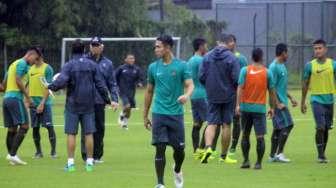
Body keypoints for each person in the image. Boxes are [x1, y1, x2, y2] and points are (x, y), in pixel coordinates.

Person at [48, 39, 114, 172]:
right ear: (84, 49)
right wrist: (107, 100)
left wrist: (51, 86)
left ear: (72, 50)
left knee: (71, 133)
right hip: (89, 104)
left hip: (73, 104)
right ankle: (90, 163)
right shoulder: (92, 64)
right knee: (89, 133)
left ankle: (71, 164)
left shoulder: (69, 65)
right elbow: (100, 85)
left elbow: (61, 81)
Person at [143, 34, 194, 188]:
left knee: (179, 149)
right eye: (155, 46)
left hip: (176, 114)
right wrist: (145, 115)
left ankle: (177, 169)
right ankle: (160, 183)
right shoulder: (153, 67)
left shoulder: (181, 66)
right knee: (160, 147)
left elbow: (190, 84)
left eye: (158, 46)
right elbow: (149, 91)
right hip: (158, 113)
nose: (155, 49)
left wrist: (186, 95)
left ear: (167, 47)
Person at [199, 34, 240, 164]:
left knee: (211, 123)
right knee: (226, 125)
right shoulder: (232, 58)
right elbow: (236, 79)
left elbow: (201, 76)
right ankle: (223, 156)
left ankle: (208, 148)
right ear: (228, 43)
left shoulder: (207, 57)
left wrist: (210, 86)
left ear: (218, 43)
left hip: (212, 95)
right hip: (228, 96)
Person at [236, 48, 276, 170]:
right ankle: (258, 163)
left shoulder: (245, 70)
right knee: (260, 137)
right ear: (262, 57)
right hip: (259, 109)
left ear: (252, 57)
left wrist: (237, 105)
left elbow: (239, 88)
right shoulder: (267, 72)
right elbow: (272, 92)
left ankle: (246, 161)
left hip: (245, 108)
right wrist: (272, 108)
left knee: (245, 135)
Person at [80, 36, 119, 163]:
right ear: (90, 46)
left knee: (100, 128)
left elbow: (112, 83)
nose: (94, 47)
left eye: (97, 45)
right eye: (93, 45)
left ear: (102, 47)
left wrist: (114, 99)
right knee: (86, 129)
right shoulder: (83, 60)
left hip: (100, 101)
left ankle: (97, 156)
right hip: (85, 100)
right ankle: (86, 156)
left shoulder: (108, 63)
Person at [3, 47, 42, 165]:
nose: (34, 62)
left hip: (6, 98)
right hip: (15, 98)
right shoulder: (22, 63)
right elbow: (18, 80)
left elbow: (3, 84)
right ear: (30, 55)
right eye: (35, 59)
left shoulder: (13, 64)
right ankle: (13, 154)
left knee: (12, 129)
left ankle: (12, 156)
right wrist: (28, 98)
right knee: (25, 126)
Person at [301, 39, 336, 163]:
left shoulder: (333, 64)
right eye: (315, 48)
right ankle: (320, 156)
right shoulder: (309, 65)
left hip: (330, 100)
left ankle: (323, 153)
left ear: (325, 49)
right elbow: (305, 84)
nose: (317, 51)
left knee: (326, 128)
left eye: (320, 48)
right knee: (320, 127)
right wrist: (303, 101)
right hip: (316, 99)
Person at [268, 43, 297, 163]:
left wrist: (290, 98)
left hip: (282, 101)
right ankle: (279, 154)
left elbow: (281, 87)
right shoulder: (273, 67)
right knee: (288, 125)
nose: (288, 55)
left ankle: (272, 155)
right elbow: (271, 87)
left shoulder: (282, 66)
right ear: (283, 53)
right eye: (287, 52)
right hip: (278, 104)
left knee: (278, 128)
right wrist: (277, 104)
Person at [28, 56, 57, 159]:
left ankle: (53, 152)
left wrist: (42, 103)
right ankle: (38, 152)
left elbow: (48, 86)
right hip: (33, 103)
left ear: (39, 56)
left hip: (45, 103)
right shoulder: (30, 68)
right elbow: (27, 85)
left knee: (49, 127)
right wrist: (27, 100)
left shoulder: (47, 68)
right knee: (35, 128)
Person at [225, 34, 249, 158]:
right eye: (227, 42)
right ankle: (212, 148)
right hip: (224, 93)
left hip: (237, 93)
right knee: (222, 121)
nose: (230, 44)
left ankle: (233, 146)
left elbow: (246, 76)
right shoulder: (222, 57)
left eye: (231, 41)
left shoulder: (241, 58)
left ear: (235, 43)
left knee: (236, 119)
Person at [187, 38, 209, 157]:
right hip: (202, 94)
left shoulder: (190, 60)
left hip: (193, 94)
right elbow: (206, 77)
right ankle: (201, 149)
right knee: (211, 122)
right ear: (200, 46)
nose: (206, 48)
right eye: (205, 45)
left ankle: (196, 150)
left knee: (197, 123)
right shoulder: (202, 60)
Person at [116, 53, 144, 130]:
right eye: (130, 58)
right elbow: (114, 77)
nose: (132, 60)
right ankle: (121, 115)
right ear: (126, 60)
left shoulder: (137, 69)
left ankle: (125, 123)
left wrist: (140, 83)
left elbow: (140, 78)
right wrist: (115, 86)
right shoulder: (121, 68)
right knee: (127, 106)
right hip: (122, 91)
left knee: (129, 109)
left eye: (133, 58)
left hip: (132, 92)